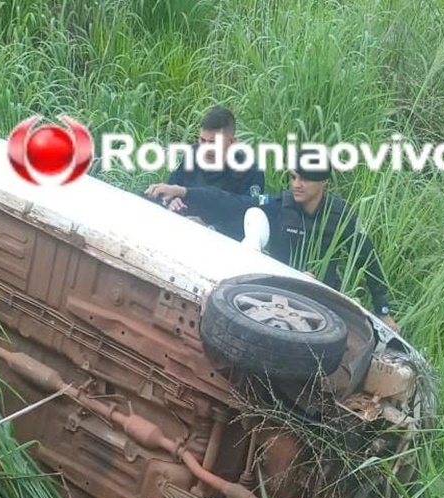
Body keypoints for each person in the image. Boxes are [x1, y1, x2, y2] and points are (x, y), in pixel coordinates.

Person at [144, 152, 400, 332]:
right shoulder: (278, 206)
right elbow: (232, 203)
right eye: (293, 177)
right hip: (273, 294)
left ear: (323, 183)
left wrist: (384, 310)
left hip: (322, 300)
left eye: (305, 179)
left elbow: (368, 258)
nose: (296, 185)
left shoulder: (340, 216)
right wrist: (185, 192)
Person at [157, 106, 265, 240]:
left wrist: (211, 229)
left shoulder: (250, 171)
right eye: (202, 140)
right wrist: (173, 201)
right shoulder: (193, 154)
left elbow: (250, 217)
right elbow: (171, 188)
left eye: (213, 142)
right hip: (180, 229)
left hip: (221, 241)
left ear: (232, 142)